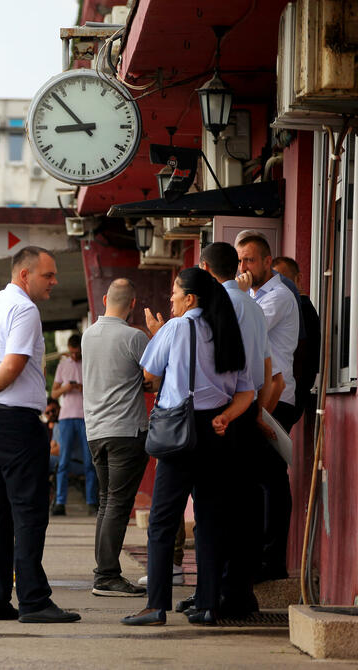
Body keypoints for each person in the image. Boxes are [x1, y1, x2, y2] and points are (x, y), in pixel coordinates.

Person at [122, 268, 254, 626]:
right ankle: (208, 604)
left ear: (190, 299)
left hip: (180, 429)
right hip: (217, 430)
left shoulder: (178, 328)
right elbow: (247, 391)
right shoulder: (229, 331)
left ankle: (156, 605)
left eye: (175, 295)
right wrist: (226, 416)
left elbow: (149, 371)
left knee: (163, 520)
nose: (172, 301)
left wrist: (156, 333)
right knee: (211, 521)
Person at [0, 246, 80, 623]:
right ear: (25, 275)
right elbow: (13, 365)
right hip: (14, 421)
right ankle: (33, 600)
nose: (54, 281)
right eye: (49, 275)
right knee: (28, 512)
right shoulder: (24, 309)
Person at [195, 242, 277, 616]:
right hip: (247, 407)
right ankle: (236, 592)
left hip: (220, 413)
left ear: (205, 268)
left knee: (215, 508)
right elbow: (264, 366)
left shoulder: (215, 306)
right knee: (242, 507)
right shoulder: (253, 305)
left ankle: (215, 594)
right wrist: (257, 411)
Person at [236, 233, 300, 582]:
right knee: (260, 478)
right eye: (240, 260)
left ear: (265, 261)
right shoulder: (255, 296)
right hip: (258, 397)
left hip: (277, 398)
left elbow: (246, 326)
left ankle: (272, 559)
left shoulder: (278, 295)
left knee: (270, 478)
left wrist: (240, 292)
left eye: (249, 260)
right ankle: (260, 554)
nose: (243, 267)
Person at [82, 278, 149, 598]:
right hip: (126, 431)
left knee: (107, 503)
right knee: (118, 505)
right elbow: (153, 376)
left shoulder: (87, 335)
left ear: (106, 298)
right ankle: (106, 575)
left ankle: (104, 573)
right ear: (133, 304)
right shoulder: (135, 337)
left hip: (95, 431)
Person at [51, 333, 97, 516]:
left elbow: (97, 390)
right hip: (67, 417)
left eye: (77, 353)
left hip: (86, 417)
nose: (74, 357)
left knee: (89, 462)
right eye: (71, 353)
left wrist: (80, 388)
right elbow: (54, 394)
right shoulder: (63, 366)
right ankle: (60, 502)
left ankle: (92, 501)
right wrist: (66, 388)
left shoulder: (89, 364)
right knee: (63, 462)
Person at [271, 256, 320, 414]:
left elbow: (303, 354)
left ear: (298, 278)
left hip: (290, 392)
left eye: (284, 279)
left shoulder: (304, 310)